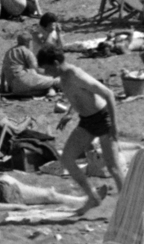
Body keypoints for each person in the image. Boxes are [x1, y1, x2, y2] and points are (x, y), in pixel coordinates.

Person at [40, 46, 124, 199]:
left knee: (113, 168)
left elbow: (109, 94)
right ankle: (93, 197)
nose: (46, 73)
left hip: (103, 118)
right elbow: (78, 96)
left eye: (47, 68)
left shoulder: (75, 74)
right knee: (67, 159)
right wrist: (69, 114)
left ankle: (129, 205)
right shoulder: (63, 77)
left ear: (56, 63)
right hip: (87, 121)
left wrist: (114, 125)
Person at [0, 31, 58, 97]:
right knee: (52, 80)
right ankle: (52, 88)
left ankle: (48, 89)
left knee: (40, 87)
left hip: (14, 87)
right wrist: (49, 74)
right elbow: (35, 69)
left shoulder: (8, 52)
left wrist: (2, 89)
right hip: (24, 81)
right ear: (27, 42)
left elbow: (3, 72)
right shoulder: (26, 51)